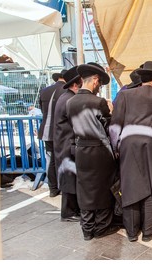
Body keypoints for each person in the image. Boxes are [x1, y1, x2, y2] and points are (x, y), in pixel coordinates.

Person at [109, 61, 152, 242]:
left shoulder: (124, 95)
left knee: (130, 186)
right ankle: (149, 232)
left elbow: (114, 125)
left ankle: (132, 232)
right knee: (151, 187)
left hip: (129, 144)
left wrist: (116, 147)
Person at [66, 62, 119, 241]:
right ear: (95, 80)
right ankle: (102, 227)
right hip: (100, 151)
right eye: (100, 84)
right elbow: (109, 128)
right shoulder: (99, 102)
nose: (99, 87)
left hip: (81, 150)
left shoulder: (70, 102)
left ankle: (87, 228)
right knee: (103, 189)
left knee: (85, 189)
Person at [53, 66, 82, 222]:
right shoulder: (69, 99)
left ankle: (71, 210)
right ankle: (68, 212)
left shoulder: (65, 97)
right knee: (69, 178)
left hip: (63, 142)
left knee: (69, 177)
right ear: (76, 85)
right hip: (66, 143)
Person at [38, 69, 67, 197]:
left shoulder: (44, 91)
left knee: (50, 161)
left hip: (46, 131)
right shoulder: (67, 92)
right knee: (63, 159)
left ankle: (53, 188)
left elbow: (41, 110)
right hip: (61, 132)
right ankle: (64, 187)